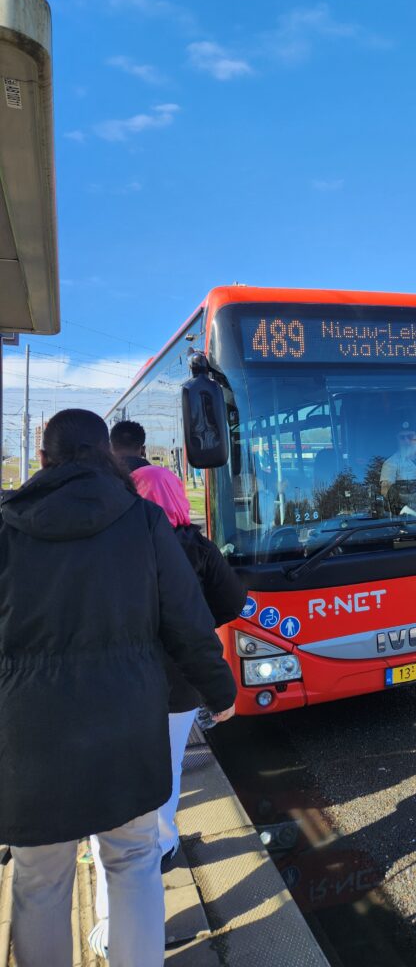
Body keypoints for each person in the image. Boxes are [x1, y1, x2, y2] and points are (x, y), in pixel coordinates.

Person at [0, 409, 237, 967]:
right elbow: (188, 623)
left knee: (39, 881)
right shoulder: (144, 522)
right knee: (133, 863)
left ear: (42, 459)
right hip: (126, 725)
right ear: (107, 455)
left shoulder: (7, 526)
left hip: (29, 736)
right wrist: (221, 692)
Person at [88, 462, 246, 957]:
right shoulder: (197, 547)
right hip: (181, 681)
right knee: (170, 764)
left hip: (127, 680)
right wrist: (199, 622)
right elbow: (233, 601)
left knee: (120, 777)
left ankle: (124, 880)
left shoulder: (120, 544)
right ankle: (164, 841)